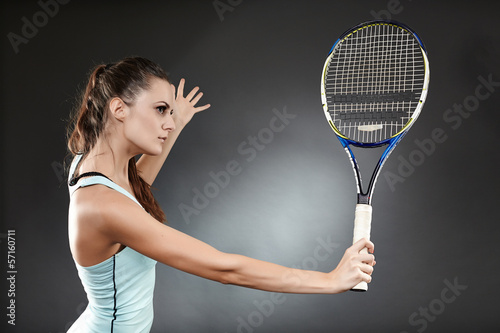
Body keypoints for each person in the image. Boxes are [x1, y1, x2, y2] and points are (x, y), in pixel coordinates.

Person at [66, 57, 375, 332]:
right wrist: (331, 280)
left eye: (171, 113)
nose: (169, 123)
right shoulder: (103, 207)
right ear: (119, 108)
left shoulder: (92, 166)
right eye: (161, 110)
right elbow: (224, 268)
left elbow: (134, 189)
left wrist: (178, 122)